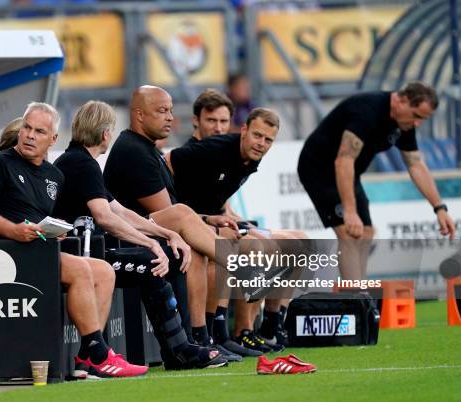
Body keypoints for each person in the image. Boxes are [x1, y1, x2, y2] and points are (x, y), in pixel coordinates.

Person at [0, 102, 147, 379]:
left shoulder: (54, 175)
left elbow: (40, 218)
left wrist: (53, 231)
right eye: (26, 127)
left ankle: (85, 357)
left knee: (104, 271)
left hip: (33, 251)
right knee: (82, 269)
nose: (29, 135)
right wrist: (14, 231)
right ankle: (99, 353)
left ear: (53, 139)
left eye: (39, 131)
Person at [103, 85, 275, 359]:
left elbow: (171, 212)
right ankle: (239, 269)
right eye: (161, 111)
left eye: (171, 111)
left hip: (150, 229)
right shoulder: (133, 150)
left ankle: (207, 336)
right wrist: (202, 221)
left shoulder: (147, 149)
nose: (170, 117)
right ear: (139, 115)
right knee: (189, 225)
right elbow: (171, 214)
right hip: (126, 237)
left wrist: (208, 217)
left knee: (201, 245)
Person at [53, 100, 227, 369]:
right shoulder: (81, 163)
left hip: (90, 253)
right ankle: (179, 350)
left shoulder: (81, 161)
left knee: (161, 255)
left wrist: (164, 234)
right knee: (151, 264)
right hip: (80, 258)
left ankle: (183, 345)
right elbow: (105, 217)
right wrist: (150, 243)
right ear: (105, 133)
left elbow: (120, 211)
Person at [169, 89, 299, 349]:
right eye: (211, 120)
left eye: (223, 121)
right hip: (193, 226)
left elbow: (219, 201)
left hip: (215, 221)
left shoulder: (247, 157)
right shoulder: (210, 149)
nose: (218, 128)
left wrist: (236, 220)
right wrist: (172, 209)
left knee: (298, 243)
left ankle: (272, 326)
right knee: (260, 247)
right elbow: (167, 162)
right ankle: (235, 331)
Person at [298, 81, 456, 279]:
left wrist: (439, 208)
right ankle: (354, 300)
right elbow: (343, 160)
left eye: (422, 120)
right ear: (403, 100)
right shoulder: (367, 111)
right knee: (348, 233)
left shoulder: (404, 123)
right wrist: (349, 211)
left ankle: (357, 294)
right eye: (416, 116)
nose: (417, 123)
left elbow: (416, 164)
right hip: (319, 168)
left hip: (348, 172)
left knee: (366, 232)